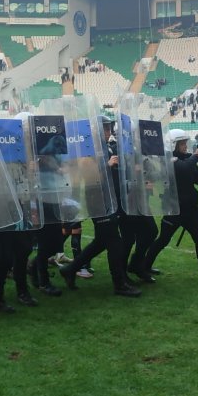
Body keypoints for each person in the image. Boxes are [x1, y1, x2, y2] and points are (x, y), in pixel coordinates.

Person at [58, 117, 141, 298]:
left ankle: (70, 269)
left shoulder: (105, 147)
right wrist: (107, 165)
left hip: (107, 199)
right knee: (114, 242)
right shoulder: (88, 149)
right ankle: (119, 284)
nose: (108, 131)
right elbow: (85, 174)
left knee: (101, 242)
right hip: (97, 199)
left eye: (109, 128)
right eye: (104, 128)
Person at [137, 129, 198, 284]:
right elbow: (184, 169)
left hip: (190, 209)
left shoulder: (185, 158)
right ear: (173, 145)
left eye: (185, 142)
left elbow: (194, 174)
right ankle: (144, 266)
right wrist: (197, 155)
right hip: (174, 208)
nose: (185, 146)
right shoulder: (169, 159)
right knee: (163, 240)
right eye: (182, 143)